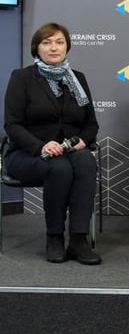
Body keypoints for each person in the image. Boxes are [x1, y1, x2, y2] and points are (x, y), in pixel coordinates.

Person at [3, 22, 101, 264]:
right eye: (47, 43)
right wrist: (41, 146)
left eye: (59, 42)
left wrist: (83, 140)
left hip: (69, 151)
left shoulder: (77, 79)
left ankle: (78, 239)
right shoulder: (22, 78)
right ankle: (54, 236)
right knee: (59, 167)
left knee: (86, 161)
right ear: (37, 48)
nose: (54, 47)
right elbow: (12, 125)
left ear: (67, 47)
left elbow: (91, 124)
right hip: (27, 153)